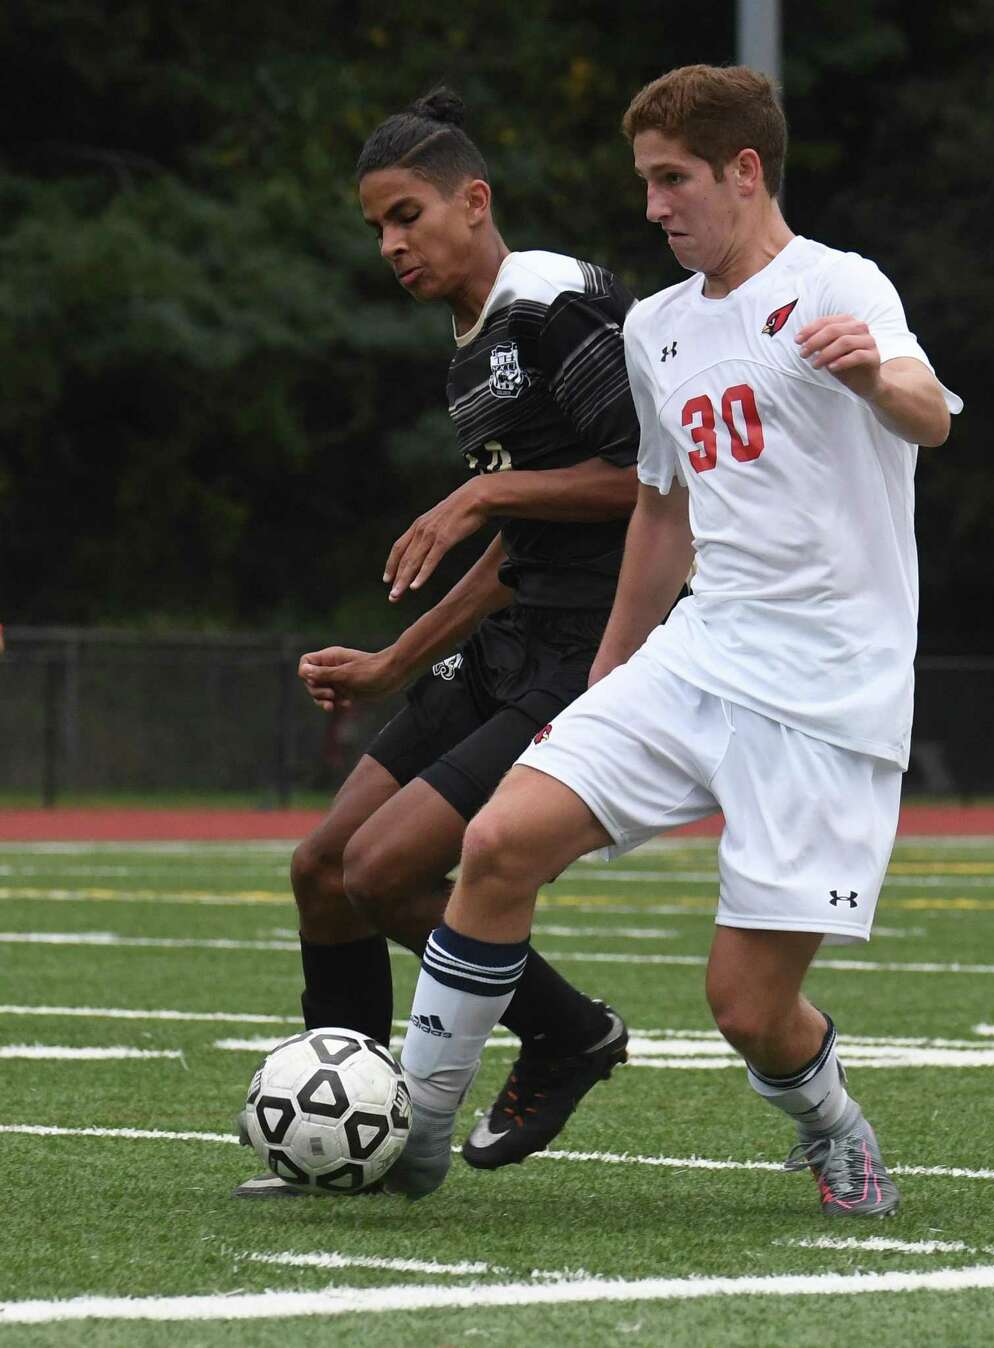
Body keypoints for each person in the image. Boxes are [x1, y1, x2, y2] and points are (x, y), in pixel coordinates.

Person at [391, 64, 962, 1217]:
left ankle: (834, 1128)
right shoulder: (655, 327)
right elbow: (662, 509)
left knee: (748, 1007)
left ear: (744, 172)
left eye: (673, 180)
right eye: (646, 182)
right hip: (699, 655)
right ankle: (410, 1136)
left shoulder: (837, 283)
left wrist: (874, 376)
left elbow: (930, 410)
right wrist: (608, 680)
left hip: (828, 690)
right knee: (499, 843)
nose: (653, 207)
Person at [235, 88, 642, 1197]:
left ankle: (571, 1033)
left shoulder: (557, 302)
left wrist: (475, 503)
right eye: (377, 226)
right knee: (323, 870)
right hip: (512, 634)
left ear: (476, 200)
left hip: (588, 648)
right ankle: (352, 1136)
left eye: (407, 215)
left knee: (386, 870)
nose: (391, 244)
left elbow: (654, 479)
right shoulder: (467, 352)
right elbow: (518, 541)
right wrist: (391, 662)